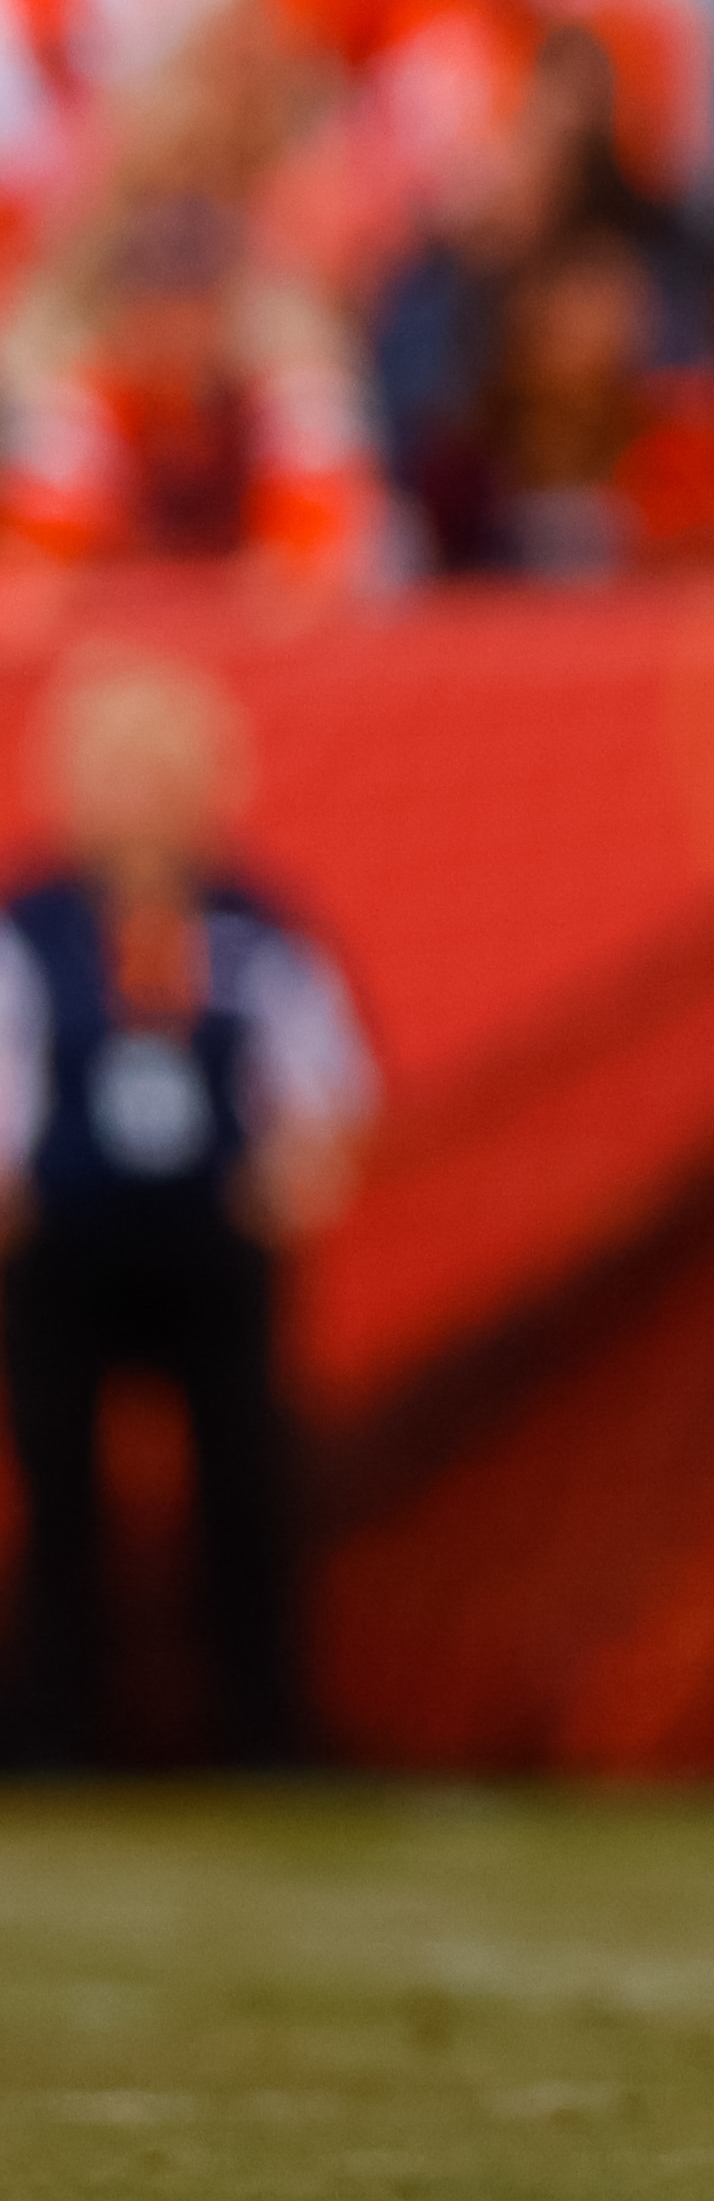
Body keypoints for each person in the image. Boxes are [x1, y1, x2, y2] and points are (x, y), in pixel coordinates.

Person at [0, 645, 374, 1769]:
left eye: (164, 766)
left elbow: (326, 1079)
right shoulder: (29, 925)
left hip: (212, 1245)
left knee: (244, 1492)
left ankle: (260, 1733)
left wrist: (302, 1163)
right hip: (62, 1248)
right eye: (118, 767)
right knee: (60, 1496)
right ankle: (57, 1734)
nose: (143, 794)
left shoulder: (256, 925)